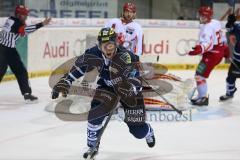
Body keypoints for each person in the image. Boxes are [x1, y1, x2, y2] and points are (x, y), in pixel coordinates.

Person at [51, 27, 155, 159]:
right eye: (103, 45)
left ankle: (148, 131)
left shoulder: (126, 56)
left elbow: (137, 79)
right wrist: (65, 81)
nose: (107, 49)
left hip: (127, 89)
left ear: (116, 43)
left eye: (110, 44)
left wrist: (131, 88)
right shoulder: (94, 53)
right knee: (95, 115)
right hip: (107, 87)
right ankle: (93, 145)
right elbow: (79, 68)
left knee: (138, 131)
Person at [0, 5, 51, 102]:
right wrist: (42, 24)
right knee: (18, 71)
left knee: (17, 71)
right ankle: (27, 94)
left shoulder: (12, 20)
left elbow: (22, 31)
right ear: (18, 14)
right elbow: (26, 30)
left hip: (5, 49)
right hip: (7, 50)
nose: (26, 17)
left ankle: (27, 94)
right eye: (24, 15)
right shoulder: (16, 23)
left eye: (26, 15)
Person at [188, 6, 229, 106]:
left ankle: (203, 98)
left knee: (199, 75)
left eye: (203, 16)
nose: (201, 17)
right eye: (201, 15)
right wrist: (226, 49)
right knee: (199, 74)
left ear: (208, 16)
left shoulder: (207, 28)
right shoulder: (215, 22)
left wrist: (200, 49)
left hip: (211, 56)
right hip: (217, 53)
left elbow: (208, 44)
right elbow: (222, 37)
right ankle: (201, 96)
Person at [220, 14, 240, 101]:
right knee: (230, 78)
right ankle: (229, 93)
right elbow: (229, 29)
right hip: (236, 59)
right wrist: (230, 22)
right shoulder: (238, 26)